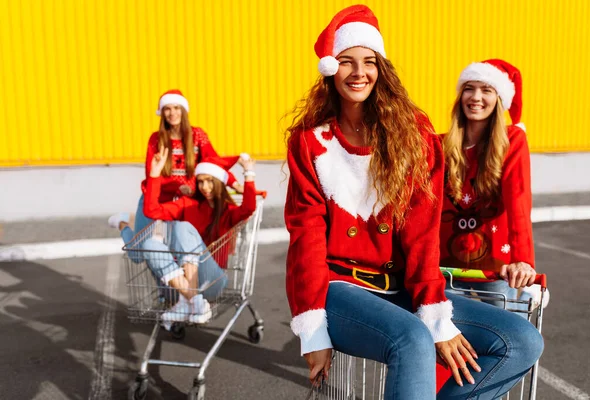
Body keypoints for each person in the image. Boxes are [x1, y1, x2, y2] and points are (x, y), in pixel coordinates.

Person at [284, 5, 543, 399]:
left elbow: (423, 231)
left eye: (369, 62)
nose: (358, 73)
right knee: (412, 338)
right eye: (345, 62)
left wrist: (434, 311)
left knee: (522, 340)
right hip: (338, 287)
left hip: (400, 285)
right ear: (329, 69)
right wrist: (312, 329)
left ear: (381, 68)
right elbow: (306, 235)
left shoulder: (413, 133)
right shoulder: (310, 141)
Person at [440, 60, 545, 310]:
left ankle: (526, 300)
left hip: (496, 268)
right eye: (469, 88)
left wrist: (523, 261)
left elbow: (518, 200)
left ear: (498, 100)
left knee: (509, 337)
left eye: (486, 90)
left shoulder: (512, 141)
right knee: (445, 340)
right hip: (445, 267)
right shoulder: (440, 145)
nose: (476, 97)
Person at [117, 146, 257, 324]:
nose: (205, 187)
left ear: (220, 182)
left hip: (212, 281)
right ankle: (193, 301)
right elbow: (152, 210)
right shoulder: (187, 204)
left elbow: (249, 208)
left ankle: (187, 300)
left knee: (182, 227)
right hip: (181, 282)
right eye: (200, 182)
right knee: (149, 245)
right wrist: (155, 174)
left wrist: (249, 174)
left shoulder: (228, 211)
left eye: (209, 181)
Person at [108, 89, 242, 259]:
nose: (173, 113)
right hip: (155, 200)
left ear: (184, 110)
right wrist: (179, 188)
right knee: (137, 255)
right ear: (162, 113)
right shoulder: (156, 140)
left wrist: (236, 184)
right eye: (167, 109)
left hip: (183, 204)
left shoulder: (197, 136)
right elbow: (152, 176)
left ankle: (171, 285)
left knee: (179, 255)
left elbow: (214, 164)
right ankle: (122, 223)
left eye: (177, 108)